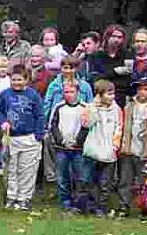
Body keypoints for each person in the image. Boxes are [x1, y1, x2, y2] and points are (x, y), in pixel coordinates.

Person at [0, 65, 45, 211]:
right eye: (14, 79)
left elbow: (40, 115)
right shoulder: (5, 94)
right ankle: (11, 196)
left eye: (19, 80)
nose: (16, 82)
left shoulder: (33, 95)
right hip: (11, 138)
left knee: (27, 169)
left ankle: (24, 198)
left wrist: (38, 135)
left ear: (27, 80)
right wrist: (3, 122)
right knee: (11, 168)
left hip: (29, 138)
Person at [42, 55, 94, 185]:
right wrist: (46, 121)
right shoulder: (54, 84)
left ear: (76, 69)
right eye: (65, 67)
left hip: (78, 123)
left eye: (71, 68)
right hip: (58, 121)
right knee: (57, 149)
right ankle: (54, 177)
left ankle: (77, 181)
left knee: (77, 152)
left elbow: (90, 104)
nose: (68, 71)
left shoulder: (84, 86)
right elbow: (47, 103)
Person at [82, 79, 122, 217]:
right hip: (93, 150)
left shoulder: (117, 109)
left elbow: (119, 127)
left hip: (109, 151)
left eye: (113, 93)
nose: (112, 97)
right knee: (90, 180)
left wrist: (115, 145)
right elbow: (87, 124)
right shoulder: (90, 107)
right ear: (99, 94)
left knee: (105, 182)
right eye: (108, 94)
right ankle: (91, 206)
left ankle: (102, 207)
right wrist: (94, 107)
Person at [49, 80, 91, 212]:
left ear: (78, 92)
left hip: (78, 149)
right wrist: (61, 140)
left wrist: (77, 141)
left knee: (80, 176)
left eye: (72, 92)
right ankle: (65, 201)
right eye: (66, 92)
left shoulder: (85, 107)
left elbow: (87, 127)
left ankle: (79, 202)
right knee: (62, 176)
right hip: (62, 148)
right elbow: (53, 125)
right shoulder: (59, 107)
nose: (69, 95)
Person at [117, 76, 147, 216]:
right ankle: (123, 206)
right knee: (125, 180)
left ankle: (145, 209)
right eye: (140, 89)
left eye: (146, 89)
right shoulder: (129, 106)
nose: (142, 92)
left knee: (144, 182)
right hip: (129, 149)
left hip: (145, 152)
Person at [87, 25, 132, 108]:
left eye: (119, 37)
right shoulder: (96, 56)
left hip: (122, 96)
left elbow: (128, 78)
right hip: (102, 96)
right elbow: (95, 78)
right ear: (107, 37)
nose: (116, 39)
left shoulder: (127, 55)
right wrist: (114, 72)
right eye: (113, 36)